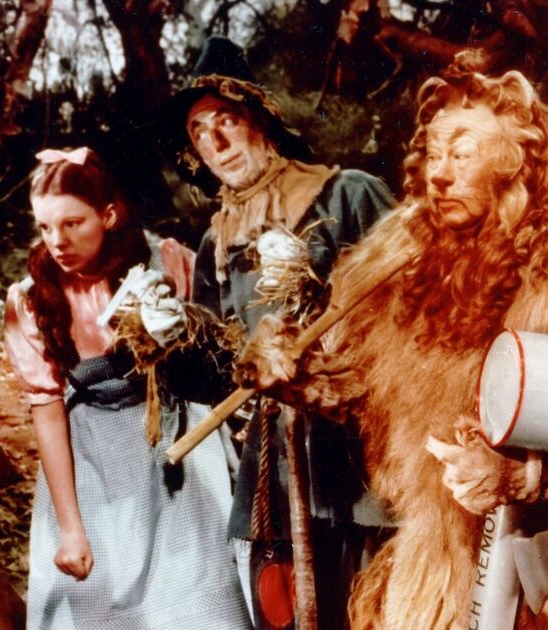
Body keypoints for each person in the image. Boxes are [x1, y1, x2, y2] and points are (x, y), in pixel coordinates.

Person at [242, 65, 548, 629]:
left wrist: (516, 474)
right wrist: (297, 375)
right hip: (434, 558)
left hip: (541, 573)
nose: (440, 175)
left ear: (517, 162)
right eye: (434, 153)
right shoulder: (404, 254)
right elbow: (364, 395)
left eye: (463, 153)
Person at [161, 37, 396, 629]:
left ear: (260, 121)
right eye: (198, 132)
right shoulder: (216, 244)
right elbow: (222, 374)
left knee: (380, 608)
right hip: (278, 469)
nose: (215, 143)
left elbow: (414, 314)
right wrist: (166, 343)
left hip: (365, 456)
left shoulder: (347, 195)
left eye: (225, 120)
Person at [3, 147, 250, 629]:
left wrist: (178, 327)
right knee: (101, 595)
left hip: (175, 442)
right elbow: (47, 411)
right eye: (45, 227)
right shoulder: (31, 300)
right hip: (92, 455)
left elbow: (216, 359)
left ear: (109, 215)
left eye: (72, 223)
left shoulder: (164, 261)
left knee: (196, 590)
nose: (58, 241)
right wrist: (70, 528)